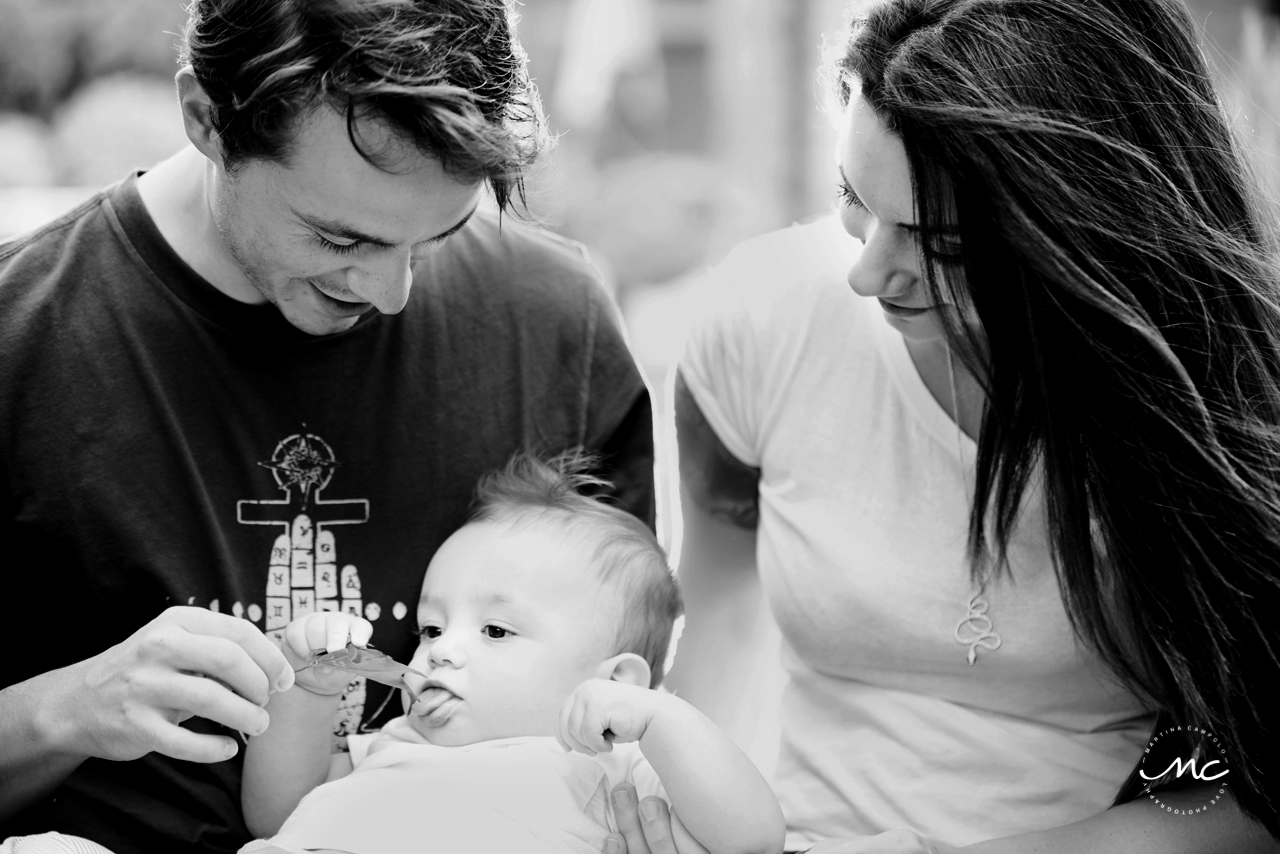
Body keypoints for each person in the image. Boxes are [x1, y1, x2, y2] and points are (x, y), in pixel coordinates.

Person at [611, 0, 1280, 852]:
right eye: (854, 198)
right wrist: (682, 818)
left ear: (1082, 233)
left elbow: (1238, 785)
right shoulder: (759, 322)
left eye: (945, 246)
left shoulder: (1205, 408)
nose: (868, 272)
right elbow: (719, 625)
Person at [0, 2, 655, 853]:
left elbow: (632, 719)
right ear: (205, 118)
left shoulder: (555, 322)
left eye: (435, 239)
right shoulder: (20, 339)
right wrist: (62, 713)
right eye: (340, 237)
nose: (391, 294)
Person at [237, 453, 783, 854]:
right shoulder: (394, 745)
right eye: (430, 629)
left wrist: (664, 720)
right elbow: (278, 813)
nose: (439, 651)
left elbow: (752, 837)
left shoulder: (607, 764)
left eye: (495, 631)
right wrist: (310, 689)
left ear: (616, 684)